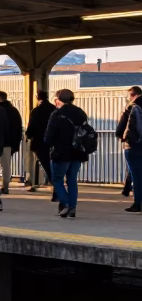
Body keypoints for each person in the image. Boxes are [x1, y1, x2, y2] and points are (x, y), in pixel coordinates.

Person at [44, 89, 91, 219]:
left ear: (59, 99)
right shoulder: (80, 113)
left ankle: (66, 204)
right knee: (72, 180)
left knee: (57, 179)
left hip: (61, 152)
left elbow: (48, 137)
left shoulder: (57, 114)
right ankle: (72, 208)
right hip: (77, 152)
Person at [115, 86, 142, 200]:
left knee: (136, 173)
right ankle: (127, 189)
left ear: (132, 95)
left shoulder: (132, 107)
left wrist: (121, 136)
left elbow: (122, 126)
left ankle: (138, 202)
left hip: (133, 144)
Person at [26, 90, 55, 193]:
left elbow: (32, 125)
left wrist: (28, 135)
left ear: (37, 98)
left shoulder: (36, 110)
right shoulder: (54, 109)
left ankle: (53, 183)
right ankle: (53, 183)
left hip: (39, 140)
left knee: (44, 162)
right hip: (53, 140)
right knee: (52, 162)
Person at [0, 91, 23, 195]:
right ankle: (5, 186)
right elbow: (18, 128)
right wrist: (15, 143)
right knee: (6, 165)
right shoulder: (14, 111)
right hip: (8, 143)